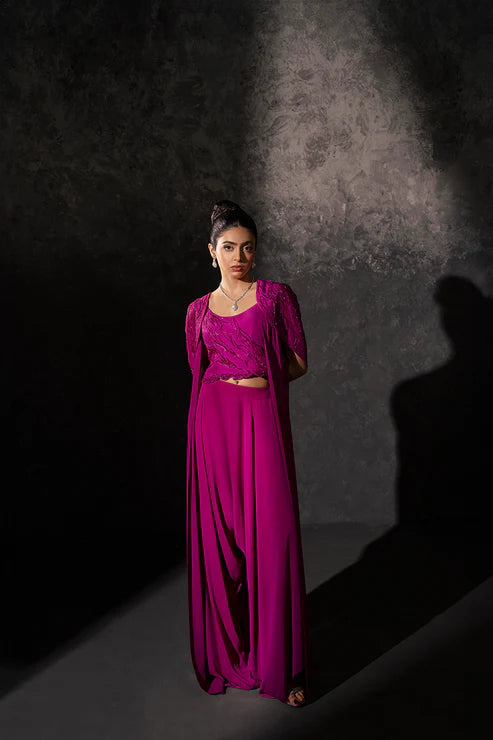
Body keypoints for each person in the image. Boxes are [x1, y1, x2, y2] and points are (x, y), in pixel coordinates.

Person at [184, 200, 310, 707]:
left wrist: (259, 379)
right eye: (230, 247)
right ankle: (231, 655)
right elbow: (199, 370)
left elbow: (298, 361)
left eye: (248, 248)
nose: (240, 256)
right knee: (223, 543)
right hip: (213, 425)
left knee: (274, 537)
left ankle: (284, 666)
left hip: (259, 418)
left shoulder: (276, 297)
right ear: (212, 251)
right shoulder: (196, 311)